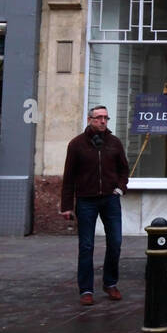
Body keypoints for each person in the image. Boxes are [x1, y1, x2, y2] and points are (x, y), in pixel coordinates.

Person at [60, 105, 130, 306]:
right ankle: (86, 289)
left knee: (115, 242)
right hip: (86, 200)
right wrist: (66, 205)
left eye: (106, 118)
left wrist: (120, 188)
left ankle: (110, 283)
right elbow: (69, 177)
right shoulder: (77, 145)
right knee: (86, 245)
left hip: (110, 199)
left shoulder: (114, 143)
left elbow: (124, 170)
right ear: (90, 119)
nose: (103, 121)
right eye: (99, 118)